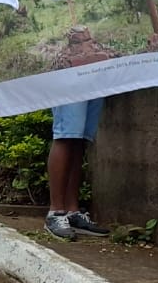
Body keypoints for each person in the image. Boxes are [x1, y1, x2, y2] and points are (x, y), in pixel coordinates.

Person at [44, 98, 112, 240]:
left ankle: (72, 212)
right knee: (65, 133)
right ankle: (55, 213)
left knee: (79, 138)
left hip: (92, 78)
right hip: (68, 79)